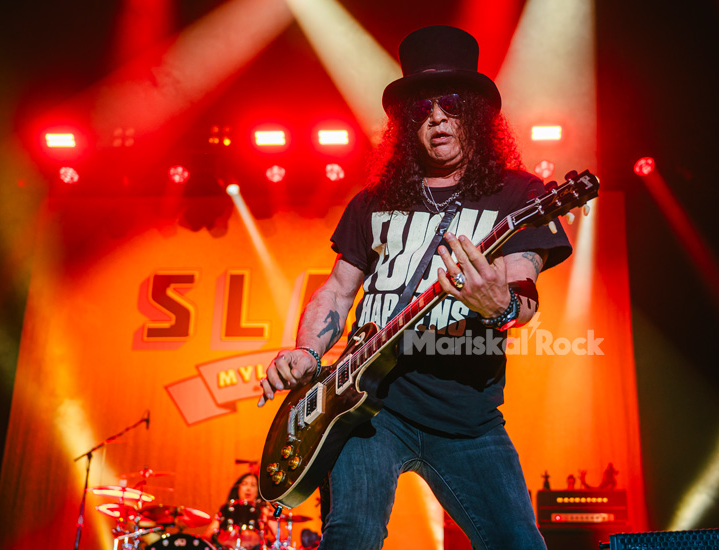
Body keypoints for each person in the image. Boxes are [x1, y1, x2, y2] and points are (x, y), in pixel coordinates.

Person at [258, 25, 572, 550]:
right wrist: (306, 351)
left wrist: (502, 306)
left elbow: (522, 289)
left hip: (467, 418)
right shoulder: (373, 200)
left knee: (518, 542)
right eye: (421, 108)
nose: (436, 116)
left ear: (473, 113)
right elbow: (338, 290)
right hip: (366, 409)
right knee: (352, 535)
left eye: (450, 103)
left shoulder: (519, 195)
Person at [203, 473, 265, 548]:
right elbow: (207, 535)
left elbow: (280, 537)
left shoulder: (263, 511)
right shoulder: (226, 509)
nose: (248, 488)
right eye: (244, 484)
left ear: (258, 491)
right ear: (238, 488)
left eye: (253, 485)